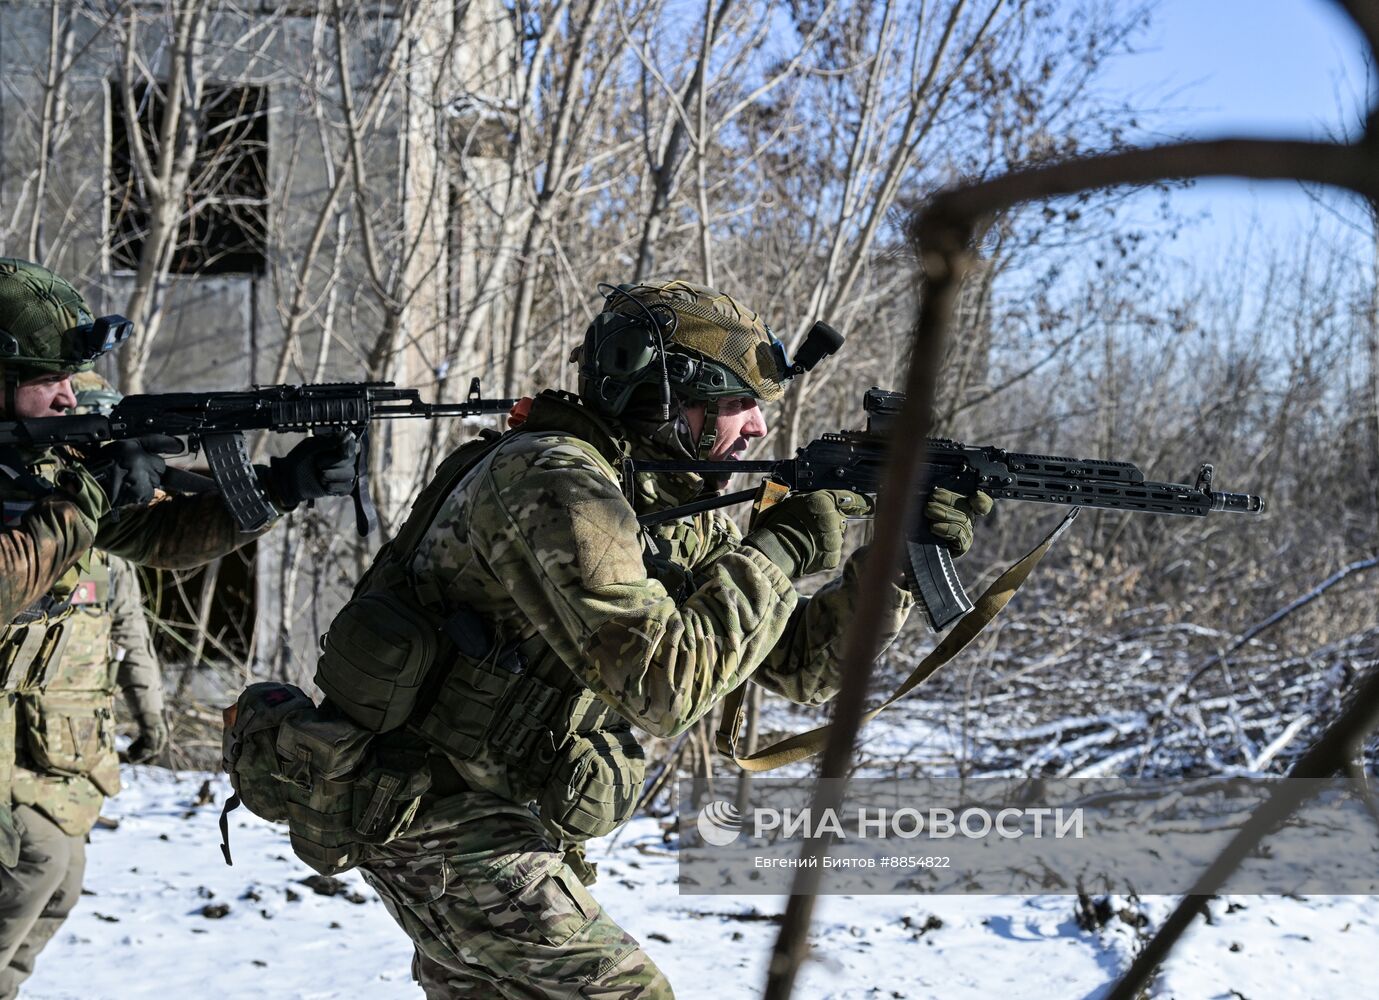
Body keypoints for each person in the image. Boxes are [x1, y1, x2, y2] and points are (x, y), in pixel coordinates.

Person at [316, 279, 990, 997]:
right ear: (666, 399)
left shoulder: (662, 502)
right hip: (438, 822)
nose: (759, 427)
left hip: (496, 823)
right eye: (738, 403)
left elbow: (799, 666)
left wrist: (892, 563)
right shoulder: (552, 480)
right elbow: (661, 690)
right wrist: (779, 552)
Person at [0, 257, 356, 996]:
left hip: (42, 754)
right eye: (48, 380)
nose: (69, 396)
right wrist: (89, 497)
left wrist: (281, 487)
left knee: (50, 885)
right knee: (31, 869)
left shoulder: (54, 431)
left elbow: (155, 541)